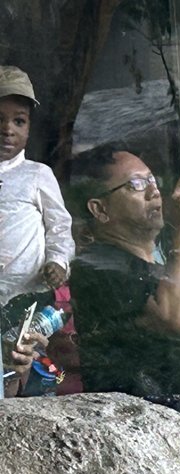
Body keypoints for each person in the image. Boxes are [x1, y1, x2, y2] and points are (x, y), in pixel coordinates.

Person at [67, 143, 180, 408]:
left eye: (152, 180)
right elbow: (176, 320)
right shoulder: (96, 266)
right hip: (147, 426)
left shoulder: (162, 269)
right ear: (100, 210)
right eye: (136, 184)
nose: (154, 192)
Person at [0, 66, 74, 307]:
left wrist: (58, 261)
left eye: (19, 121)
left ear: (29, 127)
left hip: (27, 298)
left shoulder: (37, 175)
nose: (8, 130)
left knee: (26, 345)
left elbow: (59, 226)